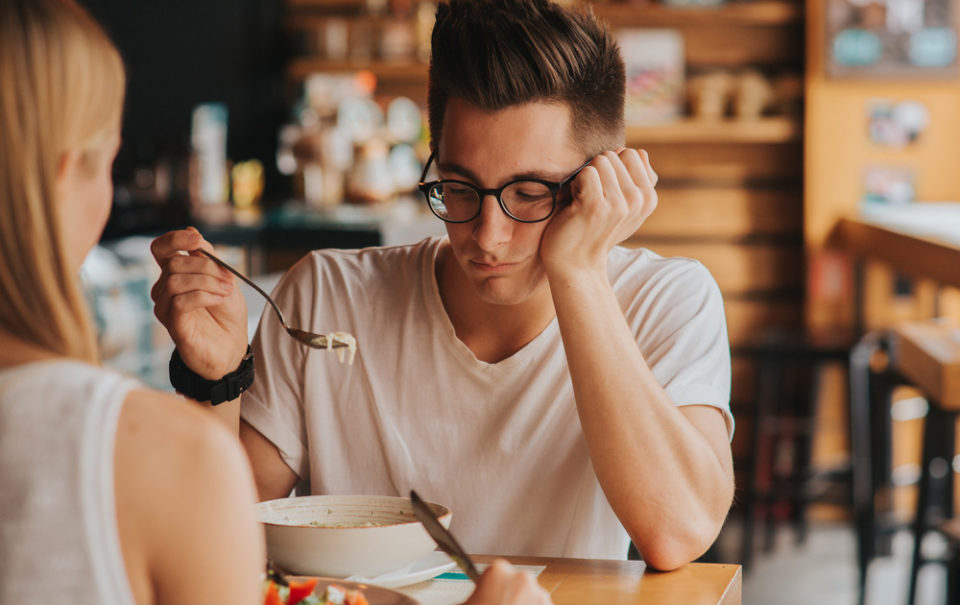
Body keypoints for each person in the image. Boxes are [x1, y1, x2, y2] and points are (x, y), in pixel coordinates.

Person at [0, 1, 564, 605]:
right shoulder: (146, 457)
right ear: (67, 174)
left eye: (530, 193)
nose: (490, 233)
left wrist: (218, 376)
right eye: (109, 164)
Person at [151, 0, 735, 571]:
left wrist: (579, 272)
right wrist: (215, 377)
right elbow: (216, 536)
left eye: (529, 193)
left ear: (599, 186)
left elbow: (677, 531)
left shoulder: (665, 299)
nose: (488, 235)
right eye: (458, 188)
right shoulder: (327, 295)